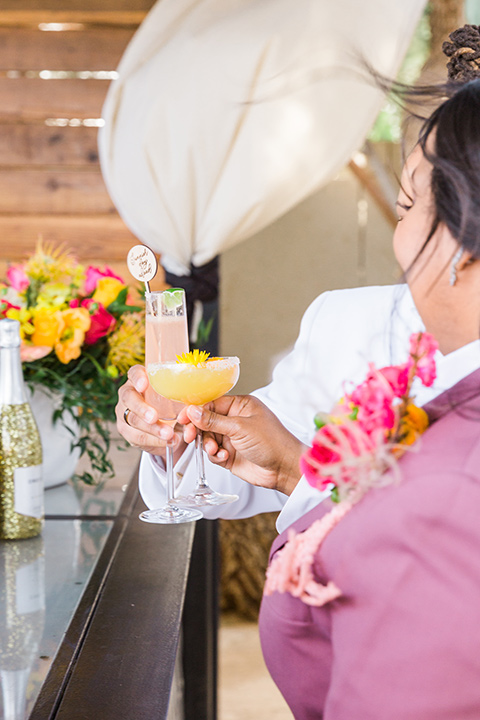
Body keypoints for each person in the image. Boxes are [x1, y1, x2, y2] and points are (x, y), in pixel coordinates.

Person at [172, 77, 480, 718]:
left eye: (405, 207)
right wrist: (291, 467)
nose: (401, 243)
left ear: (460, 240)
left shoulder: (444, 499)